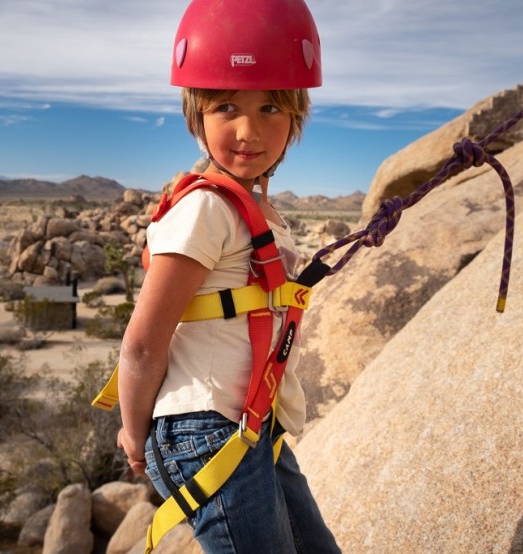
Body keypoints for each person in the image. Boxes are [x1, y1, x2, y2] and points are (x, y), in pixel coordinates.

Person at [115, 0, 340, 551]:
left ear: (296, 116)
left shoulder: (255, 209)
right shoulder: (206, 209)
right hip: (203, 429)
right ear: (197, 116)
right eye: (225, 107)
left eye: (271, 107)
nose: (248, 130)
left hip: (249, 424)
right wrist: (133, 432)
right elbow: (142, 344)